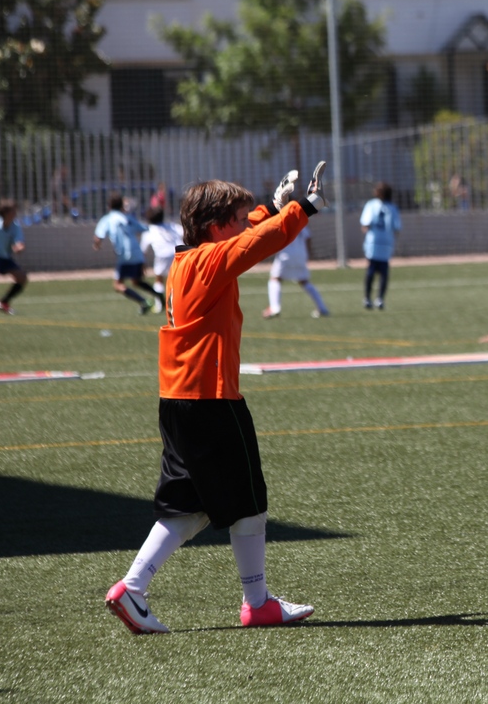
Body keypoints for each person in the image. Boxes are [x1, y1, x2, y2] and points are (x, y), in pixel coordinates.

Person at [105, 167, 326, 635]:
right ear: (215, 225)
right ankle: (258, 602)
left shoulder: (188, 261)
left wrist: (270, 206)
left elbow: (243, 237)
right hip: (211, 399)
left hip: (178, 399)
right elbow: (252, 245)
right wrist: (300, 209)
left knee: (188, 507)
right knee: (248, 503)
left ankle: (133, 588)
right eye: (240, 217)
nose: (248, 223)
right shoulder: (211, 260)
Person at [94, 193, 163, 315]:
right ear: (121, 206)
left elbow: (99, 237)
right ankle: (158, 295)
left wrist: (96, 245)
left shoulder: (107, 219)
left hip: (124, 255)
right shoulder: (128, 217)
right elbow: (143, 228)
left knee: (117, 285)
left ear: (109, 206)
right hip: (137, 253)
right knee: (136, 281)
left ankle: (143, 301)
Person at [262, 225, 330, 319]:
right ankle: (322, 308)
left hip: (285, 255)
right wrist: (309, 254)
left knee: (275, 279)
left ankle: (274, 308)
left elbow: (275, 239)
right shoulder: (301, 223)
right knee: (304, 281)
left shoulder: (283, 223)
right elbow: (308, 238)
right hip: (301, 255)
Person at [360, 182, 401, 310]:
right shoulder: (391, 207)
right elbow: (397, 228)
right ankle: (373, 299)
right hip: (382, 243)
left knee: (376, 272)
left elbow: (365, 224)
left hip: (376, 242)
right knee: (378, 272)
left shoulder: (372, 205)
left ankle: (374, 299)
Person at [141, 206, 183, 295]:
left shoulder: (148, 231)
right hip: (179, 253)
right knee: (179, 277)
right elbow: (184, 232)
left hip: (162, 255)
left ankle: (159, 302)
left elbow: (143, 251)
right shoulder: (172, 226)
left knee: (159, 279)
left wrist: (142, 265)